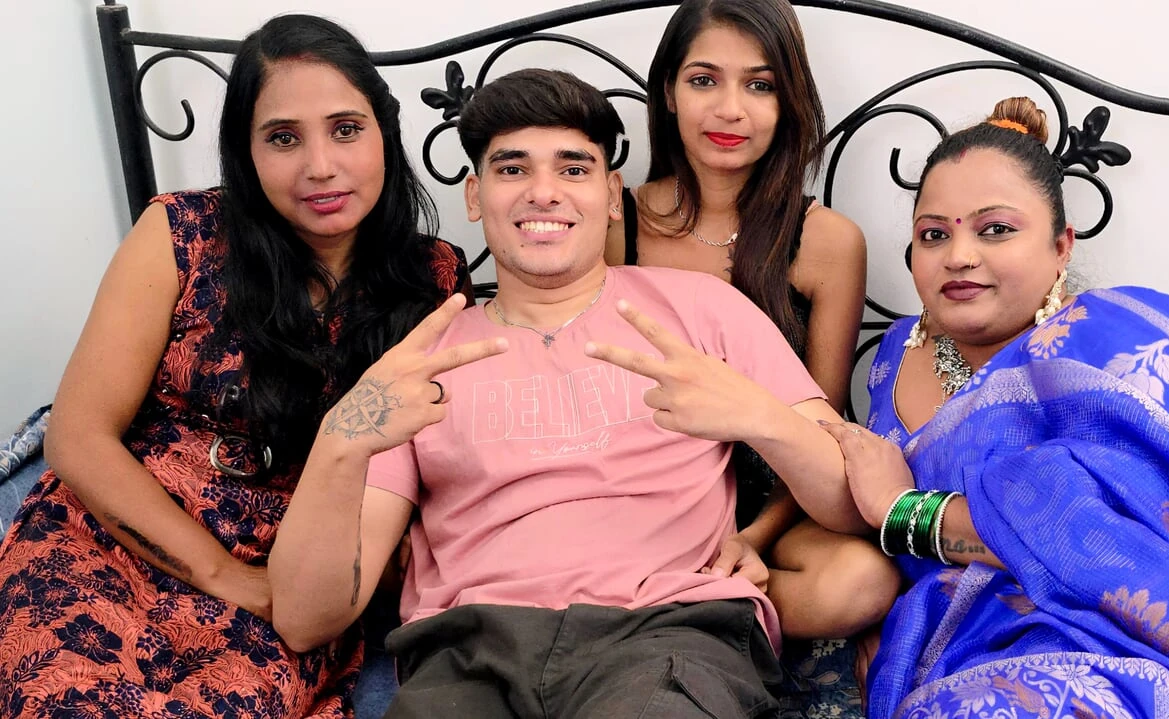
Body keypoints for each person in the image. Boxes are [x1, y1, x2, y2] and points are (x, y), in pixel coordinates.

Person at [268, 68, 868, 719]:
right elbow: (304, 620)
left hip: (666, 634)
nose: (544, 192)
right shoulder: (422, 357)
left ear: (611, 195)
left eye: (573, 168)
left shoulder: (703, 310)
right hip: (468, 651)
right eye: (513, 169)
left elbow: (852, 502)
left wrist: (760, 417)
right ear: (475, 195)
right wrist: (341, 439)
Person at [0, 15, 470, 718]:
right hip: (114, 538)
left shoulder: (433, 280)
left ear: (385, 132)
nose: (320, 165)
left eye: (346, 129)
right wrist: (223, 574)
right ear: (246, 151)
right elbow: (78, 437)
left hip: (288, 580)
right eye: (283, 137)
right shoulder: (180, 235)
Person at [822, 97, 1169, 717]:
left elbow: (1127, 532)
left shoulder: (1121, 342)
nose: (958, 255)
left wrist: (903, 511)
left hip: (1132, 634)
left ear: (1062, 246)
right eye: (934, 234)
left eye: (995, 229)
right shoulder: (893, 353)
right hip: (970, 640)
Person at [607, 0, 893, 643]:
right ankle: (679, 607)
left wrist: (752, 537)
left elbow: (823, 429)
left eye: (759, 85)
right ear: (669, 93)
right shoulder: (612, 222)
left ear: (788, 102)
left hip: (772, 505)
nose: (730, 109)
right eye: (704, 80)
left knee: (858, 580)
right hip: (643, 495)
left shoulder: (826, 241)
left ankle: (688, 603)